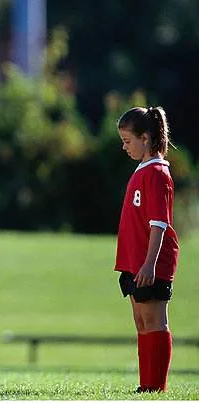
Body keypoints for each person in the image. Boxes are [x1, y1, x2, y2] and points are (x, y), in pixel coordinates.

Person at [114, 107, 179, 393]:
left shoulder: (157, 173)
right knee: (141, 320)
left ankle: (157, 386)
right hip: (135, 261)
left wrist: (150, 263)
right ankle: (146, 385)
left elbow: (159, 223)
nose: (124, 147)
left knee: (154, 319)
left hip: (150, 263)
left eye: (128, 141)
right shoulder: (143, 170)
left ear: (146, 137)